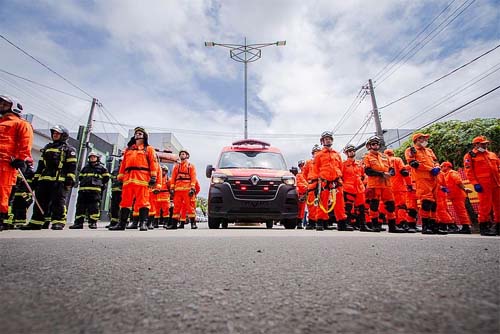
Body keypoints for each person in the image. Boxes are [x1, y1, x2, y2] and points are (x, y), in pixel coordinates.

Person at [22, 125, 77, 230]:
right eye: (54, 133)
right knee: (40, 200)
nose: (55, 135)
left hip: (59, 180)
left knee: (58, 201)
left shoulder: (69, 149)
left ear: (64, 135)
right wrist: (36, 178)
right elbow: (41, 165)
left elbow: (72, 166)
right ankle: (36, 222)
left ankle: (58, 222)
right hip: (44, 179)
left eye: (58, 133)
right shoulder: (47, 147)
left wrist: (69, 179)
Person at [109, 127, 158, 231]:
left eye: (140, 133)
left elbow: (153, 163)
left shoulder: (149, 149)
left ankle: (143, 224)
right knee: (125, 202)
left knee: (143, 201)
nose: (138, 135)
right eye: (136, 133)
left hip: (142, 178)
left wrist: (153, 177)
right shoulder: (128, 149)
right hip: (128, 178)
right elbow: (123, 164)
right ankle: (121, 224)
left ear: (144, 136)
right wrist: (120, 176)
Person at [0, 95, 33, 231]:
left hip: (6, 164)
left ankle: (1, 218)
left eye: (5, 103)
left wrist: (21, 158)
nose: (1, 105)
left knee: (2, 191)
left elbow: (26, 141)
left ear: (14, 107)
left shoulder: (21, 123)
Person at [405, 133, 445, 234]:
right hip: (422, 178)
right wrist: (430, 169)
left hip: (434, 178)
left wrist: (437, 167)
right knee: (426, 201)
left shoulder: (429, 151)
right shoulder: (411, 150)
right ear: (416, 140)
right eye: (422, 139)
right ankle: (425, 226)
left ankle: (434, 225)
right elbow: (413, 163)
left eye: (425, 139)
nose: (424, 140)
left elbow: (436, 161)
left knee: (434, 203)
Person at [463, 136, 499, 236]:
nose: (485, 145)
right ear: (476, 145)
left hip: (496, 184)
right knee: (485, 206)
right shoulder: (470, 156)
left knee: (498, 206)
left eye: (486, 144)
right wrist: (475, 183)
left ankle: (498, 226)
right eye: (483, 144)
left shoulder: (492, 154)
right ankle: (484, 226)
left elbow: (498, 168)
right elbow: (469, 171)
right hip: (483, 185)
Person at [313, 131, 348, 231]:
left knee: (340, 203)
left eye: (329, 138)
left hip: (336, 182)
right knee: (322, 202)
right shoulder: (319, 155)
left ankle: (342, 223)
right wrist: (316, 184)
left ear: (332, 140)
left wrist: (339, 179)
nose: (327, 140)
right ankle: (320, 222)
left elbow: (341, 168)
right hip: (324, 181)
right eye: (325, 139)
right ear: (322, 141)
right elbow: (316, 169)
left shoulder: (337, 154)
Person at [362, 136, 397, 232]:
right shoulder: (367, 157)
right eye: (373, 144)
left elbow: (392, 169)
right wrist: (381, 174)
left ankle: (392, 226)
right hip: (374, 185)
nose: (376, 145)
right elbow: (368, 171)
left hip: (387, 184)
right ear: (369, 146)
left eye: (377, 143)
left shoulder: (385, 157)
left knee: (390, 205)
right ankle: (375, 225)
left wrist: (390, 174)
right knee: (374, 205)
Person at [69, 152, 110, 229]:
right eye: (91, 157)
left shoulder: (102, 168)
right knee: (80, 207)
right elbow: (80, 177)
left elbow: (106, 178)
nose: (92, 158)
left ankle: (93, 223)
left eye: (94, 157)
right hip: (83, 191)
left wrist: (99, 184)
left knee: (93, 207)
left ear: (97, 158)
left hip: (94, 191)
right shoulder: (85, 168)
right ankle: (78, 223)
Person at [385, 149, 413, 232]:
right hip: (399, 187)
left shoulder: (383, 162)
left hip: (388, 187)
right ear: (393, 153)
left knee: (392, 207)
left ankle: (395, 224)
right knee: (401, 206)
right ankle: (402, 223)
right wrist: (409, 184)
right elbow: (404, 172)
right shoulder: (397, 160)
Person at [168, 149, 197, 229]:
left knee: (190, 207)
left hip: (187, 190)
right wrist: (172, 188)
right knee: (176, 207)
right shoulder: (176, 167)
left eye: (183, 154)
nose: (182, 155)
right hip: (178, 190)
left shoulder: (191, 166)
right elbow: (173, 178)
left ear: (187, 156)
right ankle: (174, 224)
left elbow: (193, 178)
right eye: (181, 154)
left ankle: (193, 224)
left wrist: (192, 188)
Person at [343, 144, 369, 231]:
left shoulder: (359, 164)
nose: (352, 152)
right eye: (349, 151)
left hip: (359, 188)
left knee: (362, 208)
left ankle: (363, 225)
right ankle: (348, 223)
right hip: (348, 188)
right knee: (348, 207)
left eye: (353, 150)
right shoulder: (343, 164)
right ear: (346, 153)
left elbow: (362, 175)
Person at [440, 161, 472, 234]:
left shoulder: (452, 173)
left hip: (458, 195)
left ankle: (466, 227)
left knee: (461, 211)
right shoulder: (446, 175)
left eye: (442, 166)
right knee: (459, 211)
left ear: (446, 166)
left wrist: (464, 189)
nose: (441, 168)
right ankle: (465, 227)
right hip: (454, 196)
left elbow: (458, 182)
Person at [10, 158, 35, 228]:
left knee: (16, 208)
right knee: (21, 208)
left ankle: (15, 222)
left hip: (19, 194)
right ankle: (19, 222)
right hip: (25, 194)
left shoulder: (21, 171)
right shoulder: (30, 173)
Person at [302, 144, 321, 230]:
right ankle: (311, 221)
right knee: (311, 204)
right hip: (312, 184)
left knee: (321, 204)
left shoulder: (322, 162)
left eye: (318, 152)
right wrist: (309, 182)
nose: (316, 154)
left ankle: (320, 222)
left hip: (321, 184)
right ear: (312, 154)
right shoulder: (309, 163)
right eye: (315, 153)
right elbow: (304, 174)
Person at [106, 158, 122, 229]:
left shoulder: (127, 170)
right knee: (114, 207)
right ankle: (113, 222)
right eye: (121, 162)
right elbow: (112, 179)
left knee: (123, 207)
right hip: (115, 191)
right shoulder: (115, 170)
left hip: (124, 192)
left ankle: (123, 221)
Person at [295, 160, 308, 229]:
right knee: (301, 209)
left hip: (309, 193)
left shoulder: (309, 174)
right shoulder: (298, 175)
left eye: (303, 165)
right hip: (302, 194)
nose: (302, 166)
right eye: (301, 165)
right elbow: (298, 184)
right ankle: (299, 222)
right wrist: (306, 187)